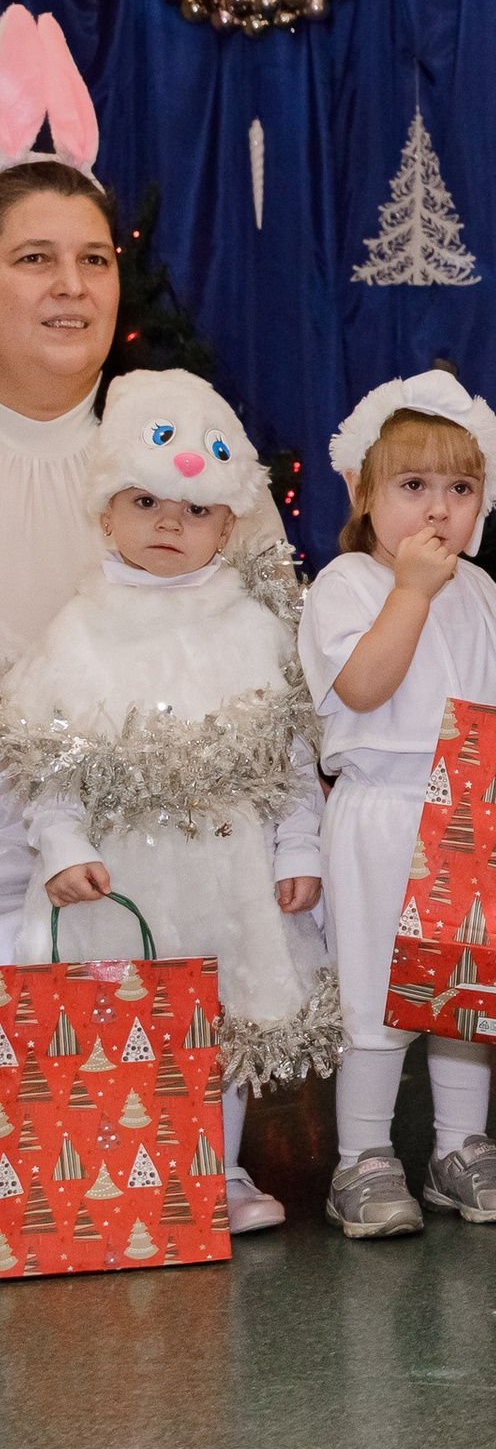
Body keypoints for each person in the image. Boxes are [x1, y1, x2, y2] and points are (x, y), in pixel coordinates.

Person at [1, 371, 332, 1234]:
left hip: (227, 875)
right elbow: (45, 758)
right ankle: (112, 1169)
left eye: (193, 510)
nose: (167, 525)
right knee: (122, 1021)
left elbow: (289, 749)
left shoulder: (256, 626)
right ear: (105, 512)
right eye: (144, 501)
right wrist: (64, 841)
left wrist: (300, 846)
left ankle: (214, 1172)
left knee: (213, 1030)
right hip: (119, 883)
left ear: (227, 525)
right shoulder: (78, 628)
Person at [299, 371, 496, 1238]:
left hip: (470, 813)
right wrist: (409, 592)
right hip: (384, 813)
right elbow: (363, 686)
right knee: (376, 996)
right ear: (363, 496)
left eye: (460, 488)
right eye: (412, 486)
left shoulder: (477, 590)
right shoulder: (350, 584)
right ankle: (362, 1157)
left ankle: (459, 1147)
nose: (438, 511)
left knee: (464, 996)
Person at [0, 12, 119, 915]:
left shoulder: (177, 451)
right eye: (34, 259)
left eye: (94, 260)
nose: (71, 288)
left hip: (124, 869)